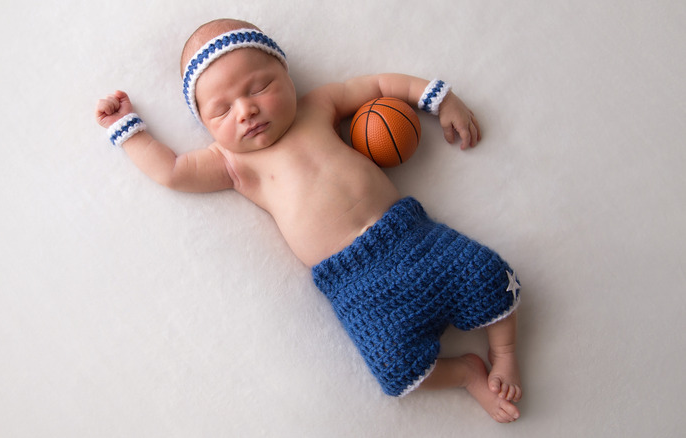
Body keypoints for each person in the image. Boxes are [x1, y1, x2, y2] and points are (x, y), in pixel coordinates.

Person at [95, 18, 523, 423]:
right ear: (205, 126)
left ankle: (504, 354)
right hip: (356, 284)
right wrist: (128, 129)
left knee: (487, 275)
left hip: (410, 236)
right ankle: (466, 373)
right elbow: (171, 170)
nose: (245, 111)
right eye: (221, 111)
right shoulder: (232, 163)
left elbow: (377, 84)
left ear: (287, 77)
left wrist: (438, 97)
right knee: (396, 370)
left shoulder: (317, 106)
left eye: (259, 87)